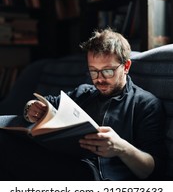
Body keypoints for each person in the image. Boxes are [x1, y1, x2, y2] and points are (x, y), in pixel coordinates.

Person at [0, 28, 165, 181]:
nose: (99, 79)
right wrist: (31, 108)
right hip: (63, 163)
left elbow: (154, 170)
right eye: (93, 71)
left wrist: (121, 148)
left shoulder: (146, 104)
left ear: (126, 66)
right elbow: (46, 102)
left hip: (97, 178)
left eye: (107, 71)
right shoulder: (84, 93)